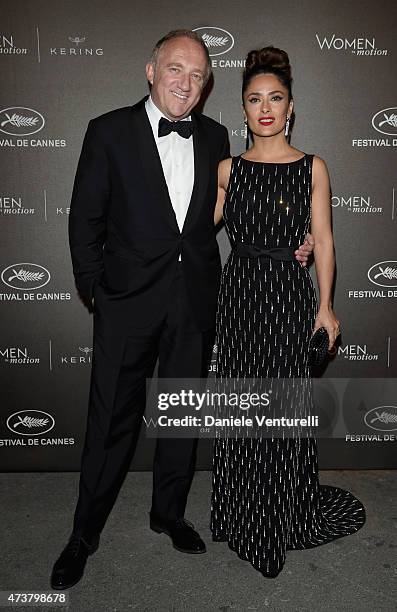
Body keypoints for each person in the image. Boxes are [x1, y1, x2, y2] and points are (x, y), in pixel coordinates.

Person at [51, 32, 314, 590]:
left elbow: (224, 214)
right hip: (125, 303)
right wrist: (97, 291)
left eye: (197, 76)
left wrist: (288, 241)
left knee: (180, 415)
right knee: (110, 422)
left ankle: (168, 512)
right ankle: (83, 533)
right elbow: (84, 221)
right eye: (176, 70)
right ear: (151, 70)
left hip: (193, 299)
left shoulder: (217, 136)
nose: (186, 84)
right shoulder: (108, 131)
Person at [210, 46, 366, 577]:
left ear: (291, 106)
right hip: (241, 299)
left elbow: (323, 241)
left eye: (275, 98)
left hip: (288, 300)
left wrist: (325, 307)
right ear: (244, 109)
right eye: (255, 99)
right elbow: (194, 229)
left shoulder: (312, 167)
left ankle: (280, 514)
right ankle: (243, 515)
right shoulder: (227, 169)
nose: (266, 108)